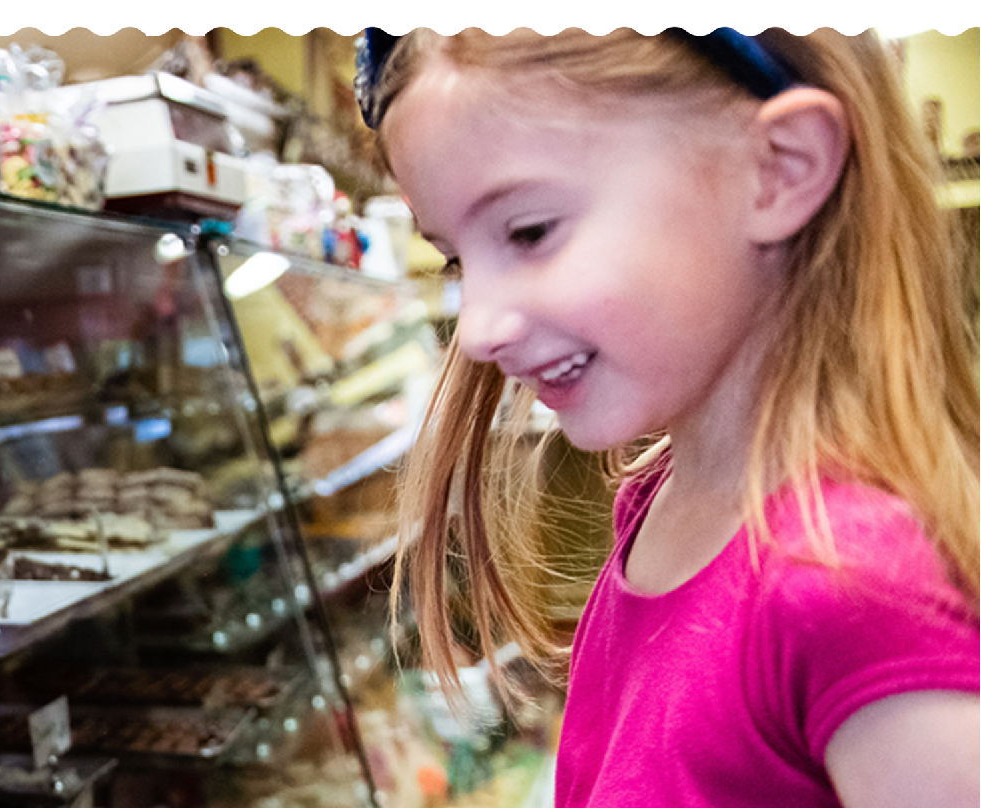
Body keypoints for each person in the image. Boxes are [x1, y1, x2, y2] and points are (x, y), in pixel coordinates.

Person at [361, 29, 981, 807]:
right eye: (455, 258)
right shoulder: (660, 491)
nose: (477, 327)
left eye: (528, 231)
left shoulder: (854, 587)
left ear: (778, 169)